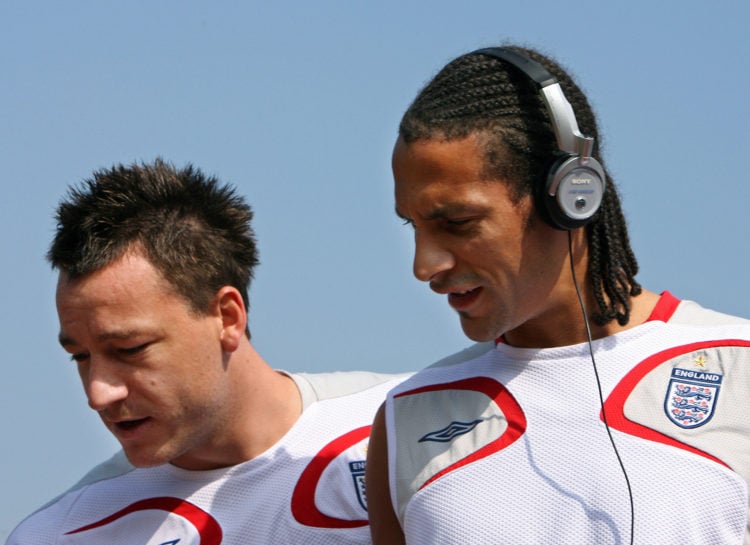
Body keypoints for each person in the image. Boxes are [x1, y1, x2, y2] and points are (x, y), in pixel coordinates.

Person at [365, 44, 750, 545]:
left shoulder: (739, 367)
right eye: (412, 227)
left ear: (572, 197)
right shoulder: (406, 419)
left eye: (457, 223)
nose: (424, 266)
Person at [7, 159, 408, 545]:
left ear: (227, 317)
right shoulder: (58, 534)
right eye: (80, 356)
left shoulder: (418, 420)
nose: (99, 394)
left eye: (129, 349)